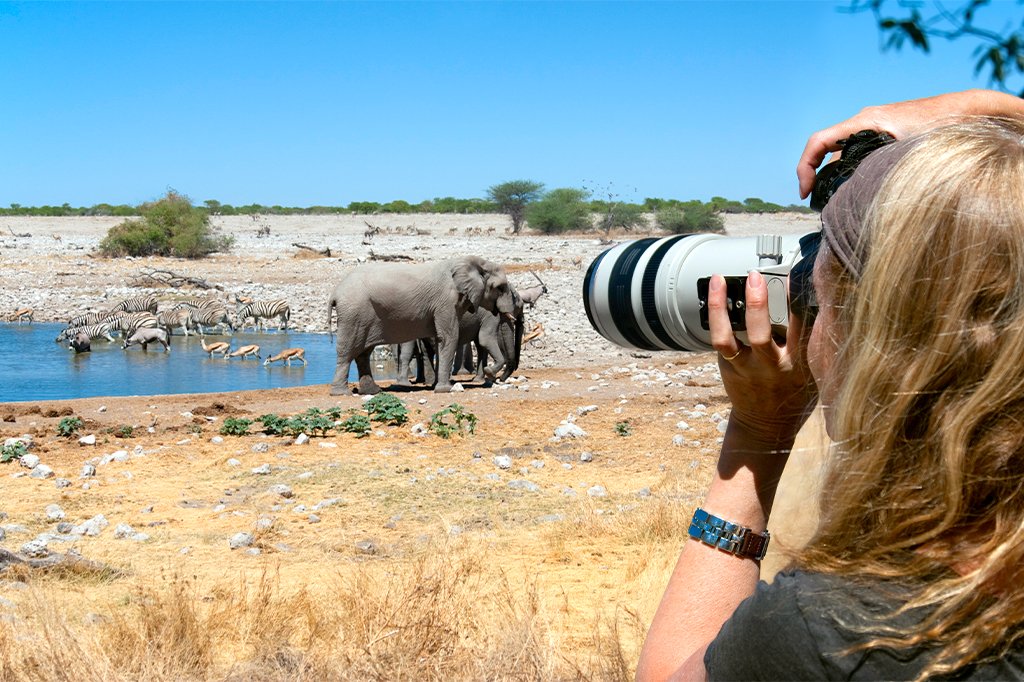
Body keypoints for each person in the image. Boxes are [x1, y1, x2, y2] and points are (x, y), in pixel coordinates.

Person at [636, 89, 1024, 681]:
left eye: (820, 295)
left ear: (873, 341)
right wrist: (983, 112)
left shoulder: (850, 627)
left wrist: (755, 433)